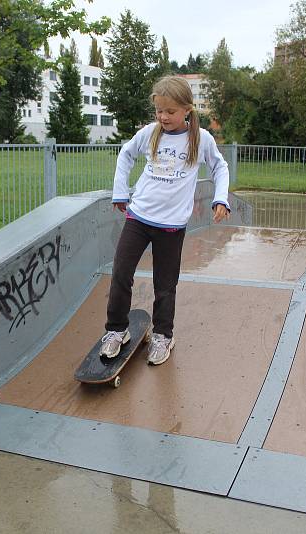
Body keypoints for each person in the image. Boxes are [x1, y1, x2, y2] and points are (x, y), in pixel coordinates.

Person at [100, 75, 230, 366]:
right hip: (139, 216)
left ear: (186, 109)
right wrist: (120, 191)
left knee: (165, 284)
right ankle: (116, 330)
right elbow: (126, 154)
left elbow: (219, 167)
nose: (163, 116)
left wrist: (220, 198)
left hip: (171, 226)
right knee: (121, 272)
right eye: (159, 111)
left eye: (170, 111)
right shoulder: (150, 132)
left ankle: (163, 335)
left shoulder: (200, 138)